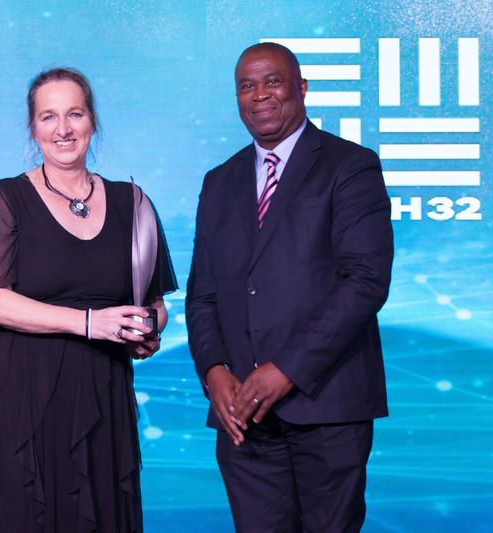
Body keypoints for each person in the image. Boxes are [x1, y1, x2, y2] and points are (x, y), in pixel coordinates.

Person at [186, 42, 393, 532]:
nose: (260, 95)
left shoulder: (350, 166)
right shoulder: (219, 181)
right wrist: (214, 372)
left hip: (327, 406)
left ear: (300, 88)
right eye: (246, 86)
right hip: (243, 419)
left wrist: (287, 370)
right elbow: (203, 294)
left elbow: (365, 281)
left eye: (273, 81)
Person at [0, 67, 177, 533]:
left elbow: (156, 301)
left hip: (102, 396)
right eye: (48, 117)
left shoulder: (133, 202)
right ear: (33, 127)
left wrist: (147, 325)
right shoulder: (5, 198)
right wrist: (88, 322)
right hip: (22, 399)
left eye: (74, 113)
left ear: (92, 121)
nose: (63, 129)